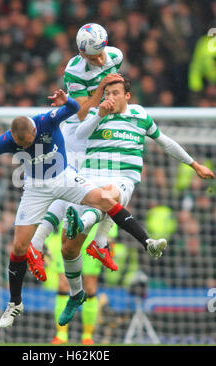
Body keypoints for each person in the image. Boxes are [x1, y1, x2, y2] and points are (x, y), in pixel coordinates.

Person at [0, 89, 165, 329]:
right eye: (22, 145)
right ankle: (15, 302)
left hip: (65, 178)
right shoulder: (7, 140)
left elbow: (71, 109)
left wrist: (65, 100)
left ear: (35, 131)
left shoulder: (46, 120)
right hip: (35, 188)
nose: (26, 147)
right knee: (18, 246)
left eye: (28, 142)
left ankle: (147, 242)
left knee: (106, 201)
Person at [58, 78, 215, 326]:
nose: (110, 97)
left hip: (122, 179)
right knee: (68, 248)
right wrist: (98, 113)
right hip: (89, 178)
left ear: (127, 96)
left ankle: (88, 227)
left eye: (115, 93)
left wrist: (193, 164)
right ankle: (76, 293)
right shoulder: (97, 113)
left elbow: (164, 142)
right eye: (107, 93)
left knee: (107, 196)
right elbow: (79, 133)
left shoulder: (140, 116)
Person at [27, 23, 125, 283]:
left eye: (102, 51)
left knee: (110, 185)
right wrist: (101, 86)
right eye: (95, 56)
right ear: (82, 54)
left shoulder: (115, 55)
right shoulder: (74, 70)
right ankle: (38, 243)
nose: (101, 58)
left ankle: (97, 242)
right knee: (70, 188)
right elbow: (81, 112)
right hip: (77, 134)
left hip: (97, 130)